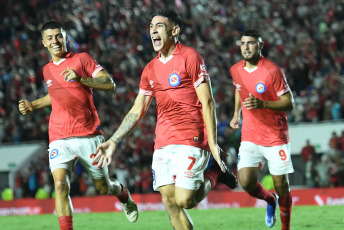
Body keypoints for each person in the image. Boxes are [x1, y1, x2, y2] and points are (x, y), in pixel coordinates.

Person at [94, 9, 236, 230]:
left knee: (185, 200)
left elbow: (208, 102)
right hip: (163, 142)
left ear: (174, 30)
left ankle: (215, 173)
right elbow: (138, 109)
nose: (153, 30)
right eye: (151, 26)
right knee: (170, 203)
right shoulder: (150, 69)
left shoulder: (190, 57)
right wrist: (113, 140)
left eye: (159, 25)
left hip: (192, 138)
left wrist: (214, 144)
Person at [18, 21, 138, 230]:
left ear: (65, 37)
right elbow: (55, 95)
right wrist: (34, 104)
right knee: (59, 185)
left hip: (89, 135)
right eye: (50, 38)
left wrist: (81, 79)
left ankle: (123, 195)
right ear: (44, 43)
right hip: (59, 137)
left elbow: (109, 83)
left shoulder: (82, 59)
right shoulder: (46, 70)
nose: (55, 40)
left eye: (58, 36)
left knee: (103, 186)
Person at [229, 29, 294, 230]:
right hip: (250, 135)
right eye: (243, 43)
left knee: (281, 183)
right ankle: (270, 200)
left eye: (251, 43)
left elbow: (289, 103)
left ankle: (285, 227)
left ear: (260, 45)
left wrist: (263, 104)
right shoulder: (235, 69)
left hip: (275, 135)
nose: (246, 47)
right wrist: (236, 114)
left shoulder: (272, 71)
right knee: (246, 182)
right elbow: (239, 89)